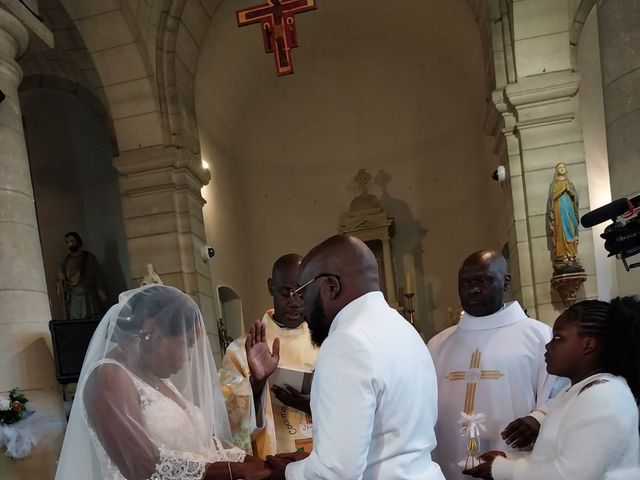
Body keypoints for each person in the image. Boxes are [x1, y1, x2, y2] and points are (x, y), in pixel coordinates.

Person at [266, 235, 445, 480]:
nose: (302, 306)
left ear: (331, 286)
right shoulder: (405, 329)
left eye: (303, 292)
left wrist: (287, 473)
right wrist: (314, 459)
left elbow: (336, 472)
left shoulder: (346, 342)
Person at [55, 285, 271, 480]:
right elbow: (145, 468)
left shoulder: (158, 380)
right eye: (186, 343)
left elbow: (205, 443)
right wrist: (239, 472)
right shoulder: (108, 377)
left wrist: (265, 465)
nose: (188, 357)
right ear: (150, 329)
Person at [427, 250, 567, 480]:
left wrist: (539, 418)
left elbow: (562, 392)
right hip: (448, 461)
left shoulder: (538, 336)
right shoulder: (438, 344)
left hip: (514, 460)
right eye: (465, 283)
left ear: (506, 282)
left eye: (483, 280)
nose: (473, 289)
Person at [464, 297, 640, 479]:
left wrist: (500, 469)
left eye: (558, 338)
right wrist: (508, 458)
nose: (548, 346)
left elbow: (571, 474)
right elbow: (555, 457)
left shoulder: (604, 395)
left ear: (588, 345)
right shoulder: (575, 391)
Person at [219, 254, 317, 458]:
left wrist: (312, 403)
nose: (295, 302)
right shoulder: (241, 350)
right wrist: (256, 384)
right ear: (271, 287)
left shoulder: (328, 341)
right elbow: (225, 417)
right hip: (272, 463)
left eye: (301, 293)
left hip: (325, 461)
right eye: (287, 292)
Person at [56, 231, 108, 319]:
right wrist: (60, 283)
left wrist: (102, 295)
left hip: (89, 298)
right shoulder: (66, 261)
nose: (70, 244)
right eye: (67, 242)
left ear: (79, 242)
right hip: (74, 300)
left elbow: (98, 279)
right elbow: (61, 279)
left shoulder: (89, 258)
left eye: (72, 241)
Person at [547, 163, 580, 265]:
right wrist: (562, 190)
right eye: (559, 168)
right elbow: (551, 200)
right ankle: (563, 255)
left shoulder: (570, 183)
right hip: (559, 211)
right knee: (561, 231)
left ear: (566, 169)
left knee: (571, 227)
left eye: (563, 167)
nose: (561, 169)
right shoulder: (554, 185)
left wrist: (570, 191)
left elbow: (576, 199)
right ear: (556, 170)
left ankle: (572, 254)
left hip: (569, 209)